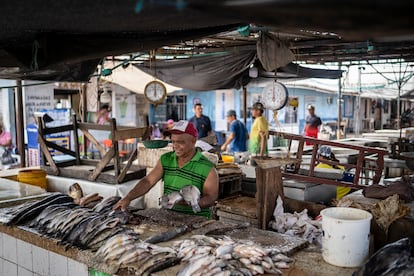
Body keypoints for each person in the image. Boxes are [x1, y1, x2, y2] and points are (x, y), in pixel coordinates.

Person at [113, 120, 219, 218]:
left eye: (181, 142)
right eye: (173, 141)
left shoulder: (208, 168)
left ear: (193, 141)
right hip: (168, 216)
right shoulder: (166, 159)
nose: (175, 146)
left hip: (196, 220)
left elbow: (211, 198)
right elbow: (148, 181)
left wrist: (191, 202)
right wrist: (128, 197)